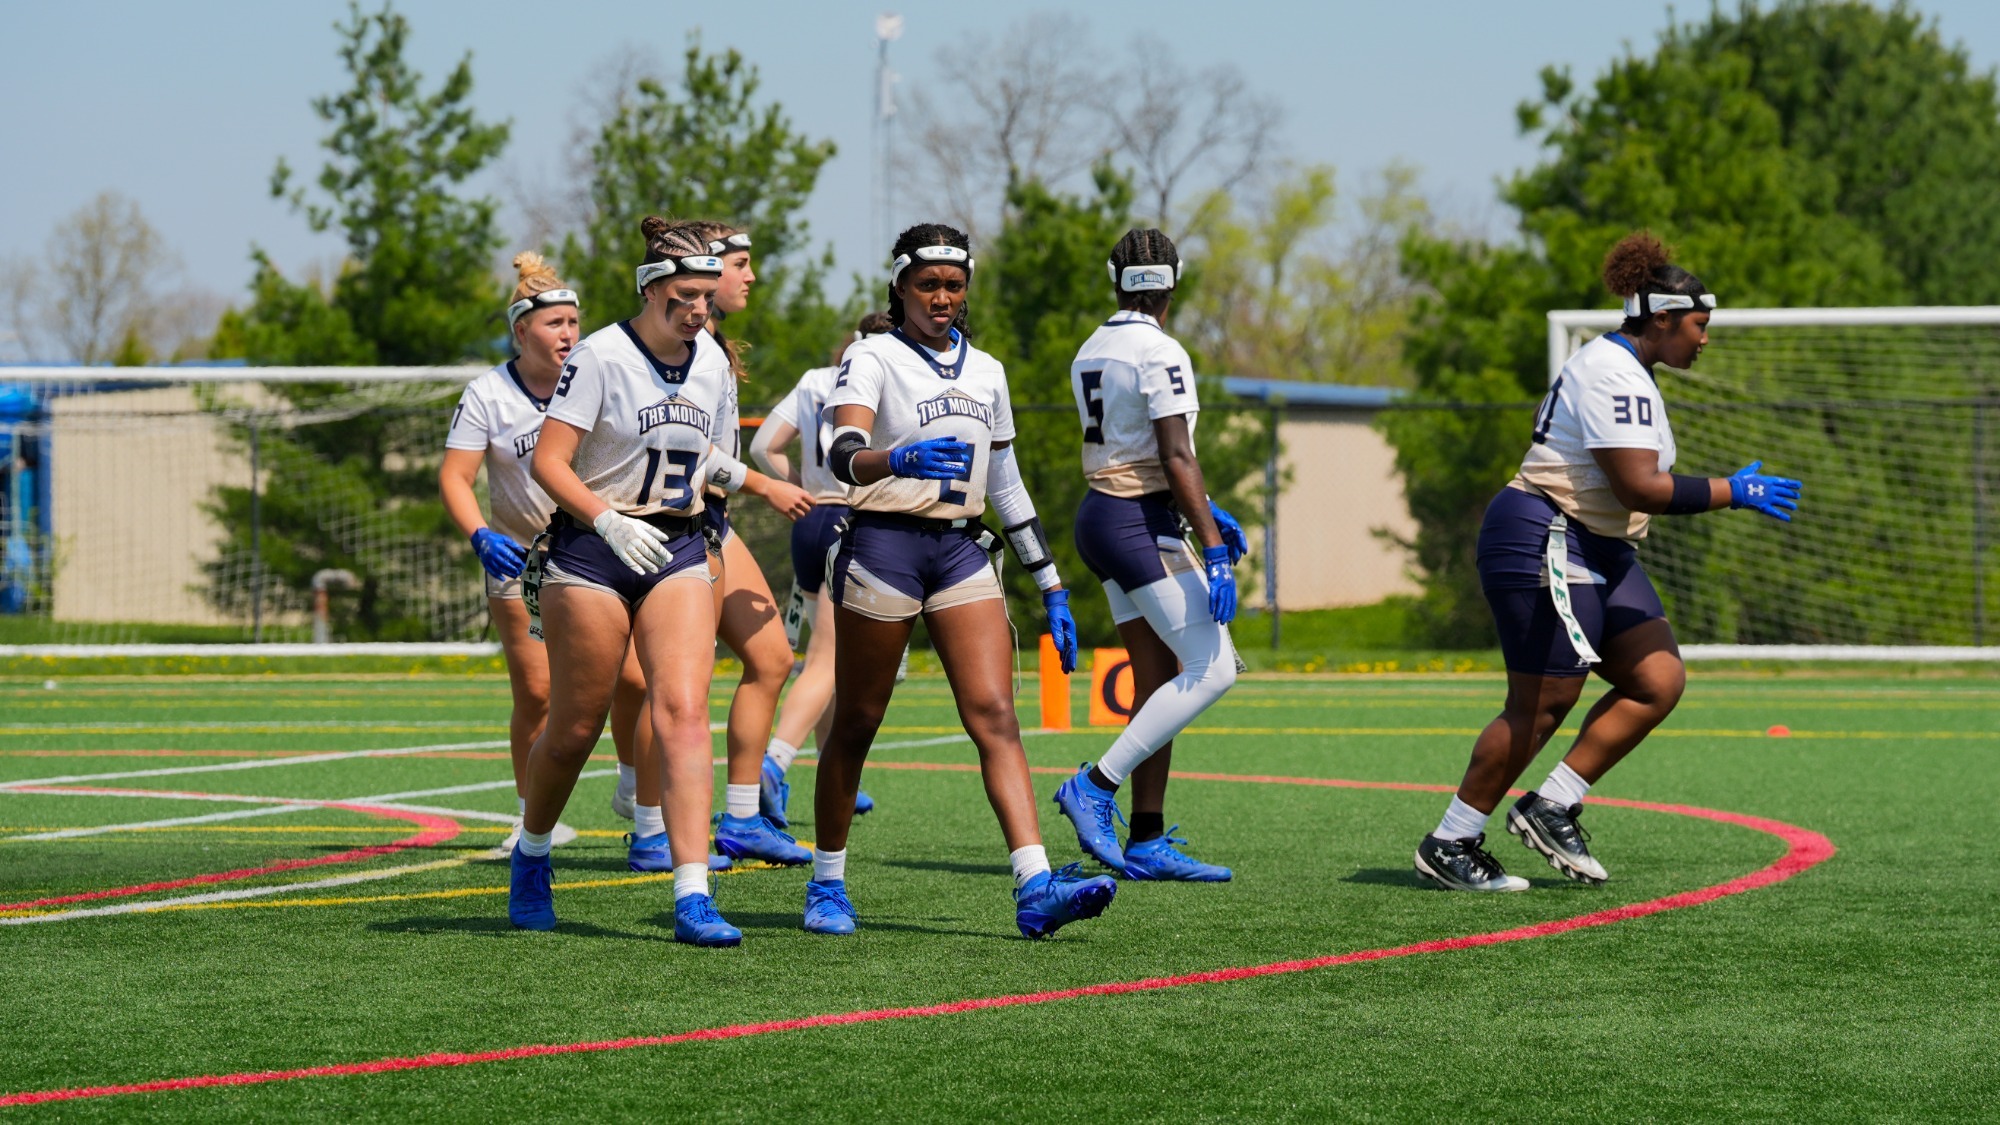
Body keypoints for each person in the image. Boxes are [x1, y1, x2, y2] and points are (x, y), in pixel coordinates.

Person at [1413, 232, 1802, 892]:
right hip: (1546, 531)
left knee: (1658, 678)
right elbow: (1638, 488)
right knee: (1542, 701)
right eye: (1698, 325)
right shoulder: (1614, 371)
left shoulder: (1630, 368)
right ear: (1661, 318)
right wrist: (1733, 491)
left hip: (1595, 541)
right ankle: (1450, 839)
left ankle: (1552, 802)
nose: (1704, 340)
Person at [804, 222, 1117, 940]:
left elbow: (1004, 480)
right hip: (883, 543)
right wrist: (896, 459)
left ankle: (1035, 882)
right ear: (900, 287)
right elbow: (840, 449)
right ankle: (826, 881)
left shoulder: (989, 370)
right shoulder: (873, 355)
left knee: (995, 716)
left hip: (959, 551)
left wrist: (1052, 582)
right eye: (928, 285)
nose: (942, 297)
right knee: (856, 720)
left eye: (953, 285)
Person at [506, 218, 743, 946]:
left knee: (682, 710)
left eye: (708, 295)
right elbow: (549, 461)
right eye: (687, 294)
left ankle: (692, 892)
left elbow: (716, 464)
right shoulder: (604, 355)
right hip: (593, 548)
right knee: (576, 726)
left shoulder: (714, 364)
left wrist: (722, 524)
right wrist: (607, 520)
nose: (700, 308)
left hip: (673, 543)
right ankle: (533, 849)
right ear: (651, 287)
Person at [1052, 228, 1246, 882]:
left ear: (1116, 277)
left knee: (1160, 674)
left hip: (1102, 515)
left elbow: (1142, 450)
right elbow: (1173, 453)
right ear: (1174, 278)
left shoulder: (1094, 346)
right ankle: (1094, 785)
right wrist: (1213, 546)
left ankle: (1147, 836)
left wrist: (1204, 507)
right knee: (1214, 667)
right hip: (1137, 519)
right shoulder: (1159, 349)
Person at [439, 254, 649, 851]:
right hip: (522, 564)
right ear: (521, 331)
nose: (568, 335)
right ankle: (534, 815)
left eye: (574, 324)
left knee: (634, 680)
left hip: (594, 551)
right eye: (554, 324)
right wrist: (480, 534)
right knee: (536, 693)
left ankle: (633, 784)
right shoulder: (487, 394)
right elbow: (456, 477)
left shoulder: (596, 376)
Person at [658, 219, 818, 870]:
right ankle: (651, 825)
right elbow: (690, 456)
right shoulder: (678, 351)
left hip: (711, 518)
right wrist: (767, 485)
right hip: (673, 529)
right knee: (674, 692)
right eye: (742, 263)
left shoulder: (711, 348)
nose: (751, 276)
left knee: (773, 657)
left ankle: (744, 818)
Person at [745, 311, 895, 825]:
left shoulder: (815, 380)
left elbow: (763, 446)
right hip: (848, 519)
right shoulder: (895, 375)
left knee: (825, 658)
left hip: (810, 519)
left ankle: (839, 777)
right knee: (830, 660)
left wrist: (799, 487)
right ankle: (774, 762)